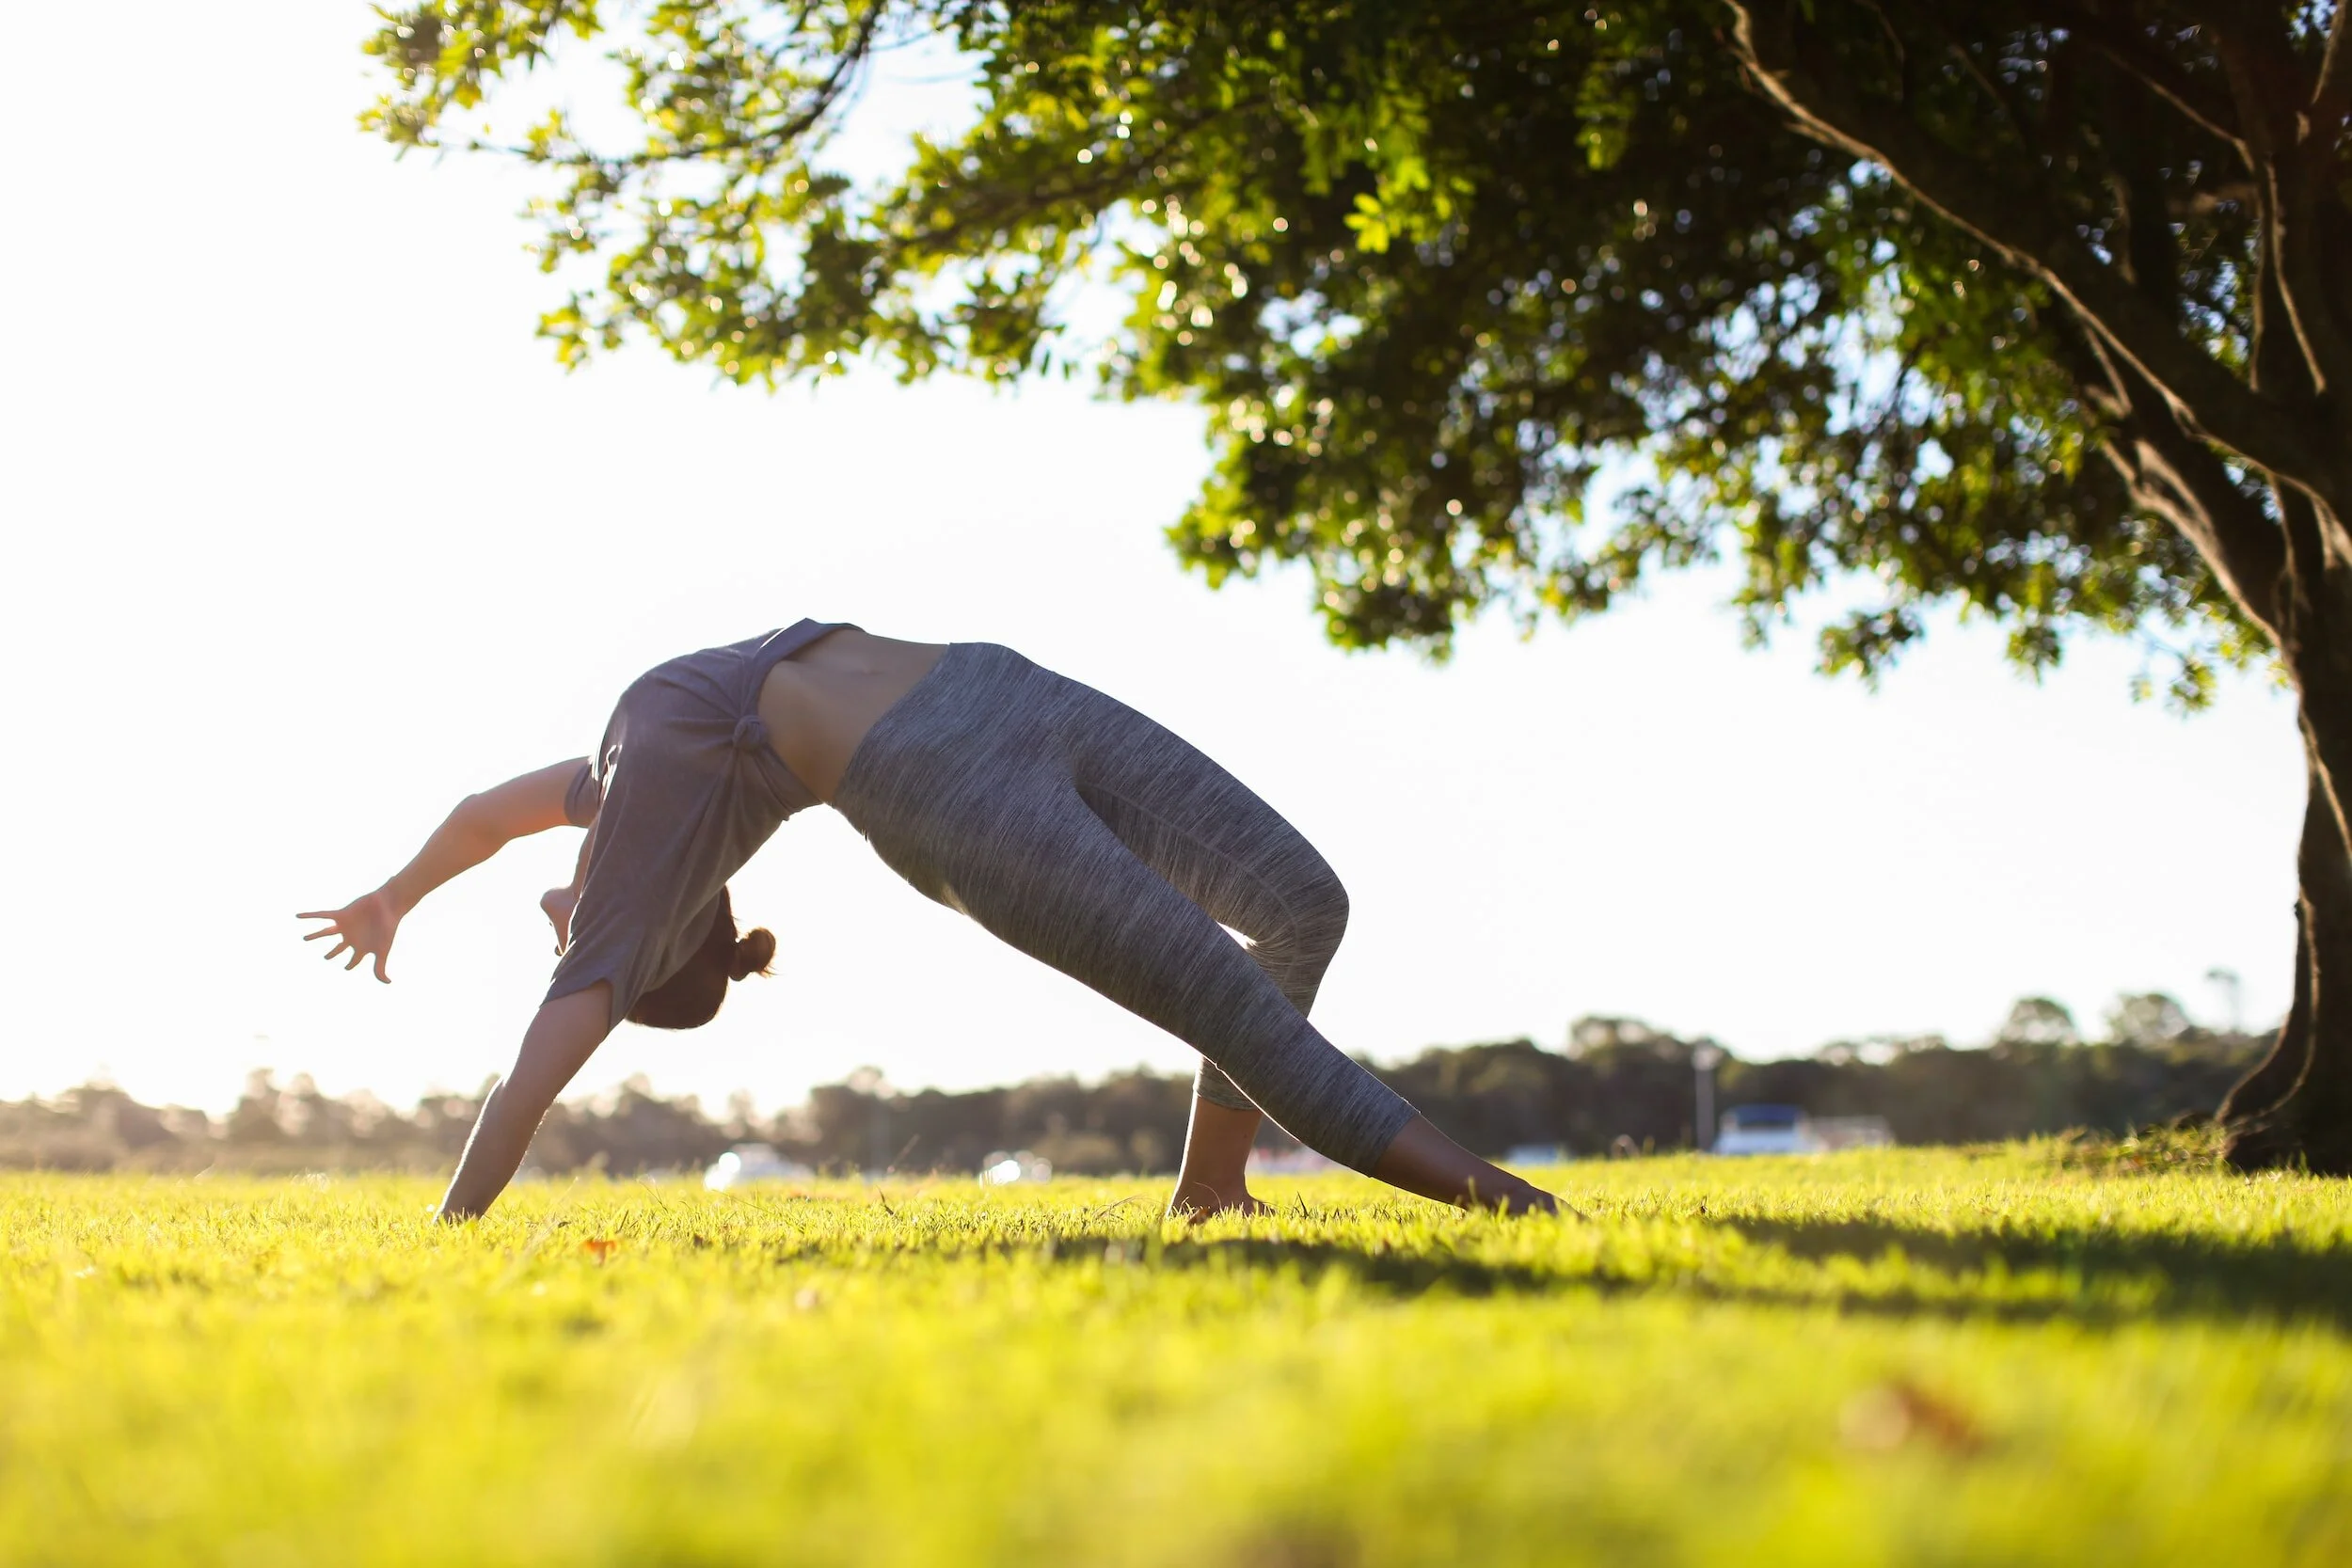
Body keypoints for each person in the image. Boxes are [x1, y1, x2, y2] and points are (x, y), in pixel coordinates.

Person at [300, 623, 1560, 1221]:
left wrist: (394, 895)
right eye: (591, 941)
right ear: (664, 937)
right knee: (1222, 996)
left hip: (996, 683)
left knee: (1300, 904)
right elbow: (525, 1087)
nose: (571, 925)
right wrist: (454, 1226)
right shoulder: (639, 887)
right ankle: (1500, 1200)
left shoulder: (629, 781)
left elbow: (482, 814)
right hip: (957, 799)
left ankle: (1211, 1187)